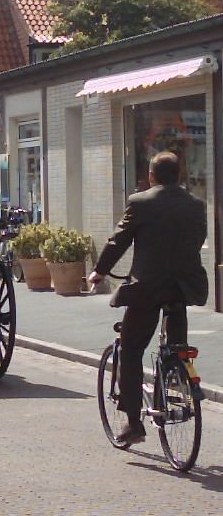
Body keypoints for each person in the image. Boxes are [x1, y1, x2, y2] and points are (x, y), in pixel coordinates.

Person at [89, 151, 207, 445]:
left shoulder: (140, 202)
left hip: (148, 288)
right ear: (179, 175)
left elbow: (118, 241)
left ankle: (133, 424)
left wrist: (99, 272)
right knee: (177, 346)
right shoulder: (195, 205)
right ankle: (177, 372)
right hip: (184, 287)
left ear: (151, 176)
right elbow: (199, 239)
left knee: (130, 349)